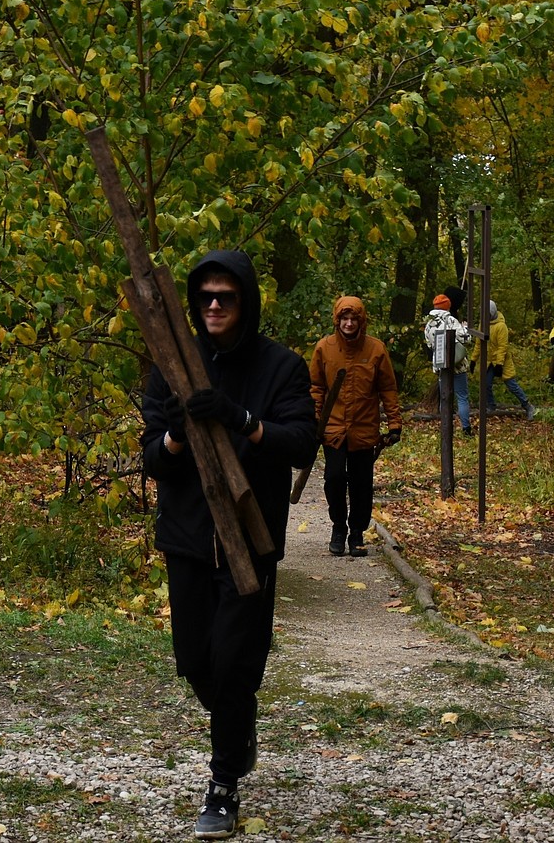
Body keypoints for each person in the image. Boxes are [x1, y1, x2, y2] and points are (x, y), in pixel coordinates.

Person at [140, 250, 317, 840]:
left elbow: (299, 443)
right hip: (188, 537)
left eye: (226, 297)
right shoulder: (171, 364)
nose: (214, 306)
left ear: (247, 301)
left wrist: (241, 420)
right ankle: (237, 725)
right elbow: (149, 461)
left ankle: (222, 786)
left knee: (235, 665)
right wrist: (172, 436)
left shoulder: (280, 367)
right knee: (195, 661)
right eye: (205, 298)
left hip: (250, 539)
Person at [309, 296, 402, 557]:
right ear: (337, 320)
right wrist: (314, 420)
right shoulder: (324, 349)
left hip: (364, 428)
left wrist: (394, 423)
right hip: (333, 428)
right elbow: (316, 388)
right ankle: (338, 527)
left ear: (361, 322)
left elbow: (387, 388)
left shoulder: (376, 349)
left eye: (353, 319)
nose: (348, 324)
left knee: (361, 484)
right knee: (334, 478)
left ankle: (357, 534)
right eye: (344, 319)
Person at [423, 292, 472, 435]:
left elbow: (429, 343)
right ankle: (466, 428)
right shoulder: (451, 321)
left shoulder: (429, 324)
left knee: (444, 396)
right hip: (457, 365)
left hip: (440, 364)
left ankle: (445, 427)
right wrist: (466, 327)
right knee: (462, 397)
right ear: (447, 307)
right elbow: (466, 338)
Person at [478, 300, 537, 419]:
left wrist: (499, 364)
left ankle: (528, 406)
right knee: (486, 383)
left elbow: (502, 346)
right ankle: (491, 406)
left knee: (512, 385)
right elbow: (478, 344)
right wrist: (474, 359)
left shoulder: (501, 326)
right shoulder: (483, 325)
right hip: (489, 361)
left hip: (502, 361)